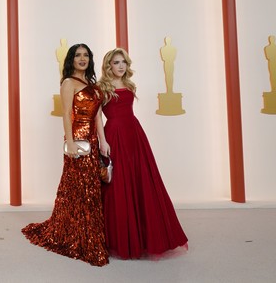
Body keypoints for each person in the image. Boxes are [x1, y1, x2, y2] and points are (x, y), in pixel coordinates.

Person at [22, 43, 109, 267]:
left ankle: (88, 234)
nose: (82, 59)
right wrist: (69, 142)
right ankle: (77, 237)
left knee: (91, 188)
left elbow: (98, 115)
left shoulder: (92, 83)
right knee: (79, 188)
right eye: (78, 55)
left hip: (92, 140)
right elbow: (66, 113)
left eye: (86, 55)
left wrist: (103, 141)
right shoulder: (69, 83)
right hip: (77, 141)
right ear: (71, 60)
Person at [97, 47, 188, 259]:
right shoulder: (101, 87)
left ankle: (144, 236)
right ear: (108, 65)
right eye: (117, 62)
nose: (121, 66)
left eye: (124, 62)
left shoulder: (129, 84)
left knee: (142, 181)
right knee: (118, 184)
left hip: (134, 133)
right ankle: (121, 239)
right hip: (115, 134)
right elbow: (97, 117)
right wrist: (103, 141)